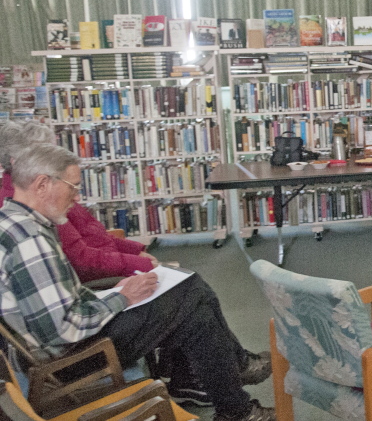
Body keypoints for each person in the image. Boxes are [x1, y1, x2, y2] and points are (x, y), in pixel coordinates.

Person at [0, 144, 275, 421]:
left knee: (193, 306)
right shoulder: (31, 242)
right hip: (71, 358)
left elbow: (58, 303)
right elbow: (64, 329)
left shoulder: (13, 222)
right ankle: (235, 390)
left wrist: (114, 293)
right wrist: (122, 298)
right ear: (42, 184)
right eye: (72, 186)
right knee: (191, 293)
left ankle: (235, 404)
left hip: (57, 345)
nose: (76, 196)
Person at [0, 121, 156, 282]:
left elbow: (93, 235)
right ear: (16, 162)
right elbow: (80, 260)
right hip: (101, 278)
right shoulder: (38, 200)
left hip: (110, 266)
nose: (57, 158)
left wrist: (134, 251)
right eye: (46, 154)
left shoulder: (54, 190)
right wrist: (137, 263)